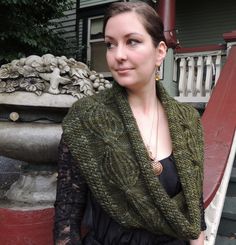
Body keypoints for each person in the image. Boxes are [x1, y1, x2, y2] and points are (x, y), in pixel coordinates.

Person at [54, 2, 206, 245]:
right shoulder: (86, 119)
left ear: (160, 51)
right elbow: (67, 214)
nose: (118, 55)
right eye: (110, 44)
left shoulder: (188, 120)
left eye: (132, 41)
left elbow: (194, 211)